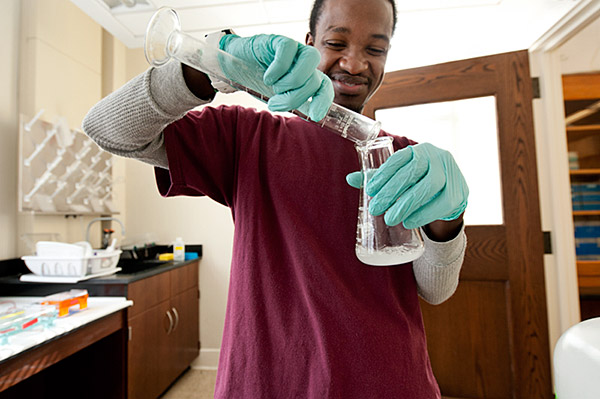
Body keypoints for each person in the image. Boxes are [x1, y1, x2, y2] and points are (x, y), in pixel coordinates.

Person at [83, 0, 468, 397]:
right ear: (309, 43)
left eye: (375, 49)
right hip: (269, 381)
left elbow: (436, 289)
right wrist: (208, 66)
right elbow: (108, 128)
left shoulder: (406, 160)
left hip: (389, 382)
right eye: (336, 42)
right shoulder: (248, 137)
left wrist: (449, 222)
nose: (354, 64)